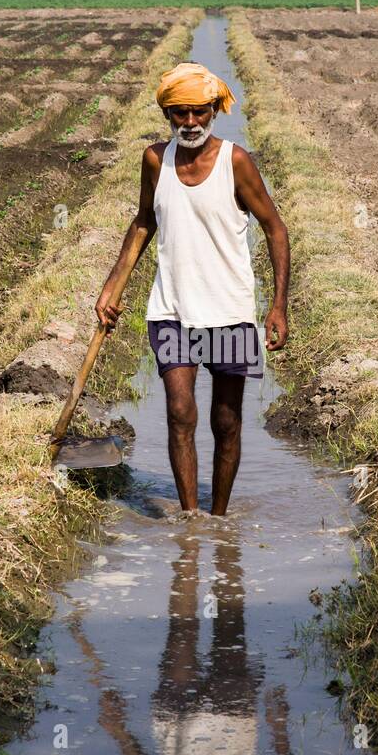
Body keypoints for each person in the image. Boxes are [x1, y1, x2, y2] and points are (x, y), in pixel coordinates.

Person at [95, 60, 290, 516]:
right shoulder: (154, 160)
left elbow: (275, 229)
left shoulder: (235, 162)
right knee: (180, 414)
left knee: (227, 422)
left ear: (213, 111)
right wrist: (112, 286)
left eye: (199, 112)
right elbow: (144, 222)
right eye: (179, 113)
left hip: (230, 310)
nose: (189, 122)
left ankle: (218, 518)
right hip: (172, 310)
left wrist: (277, 307)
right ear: (167, 114)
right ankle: (189, 521)